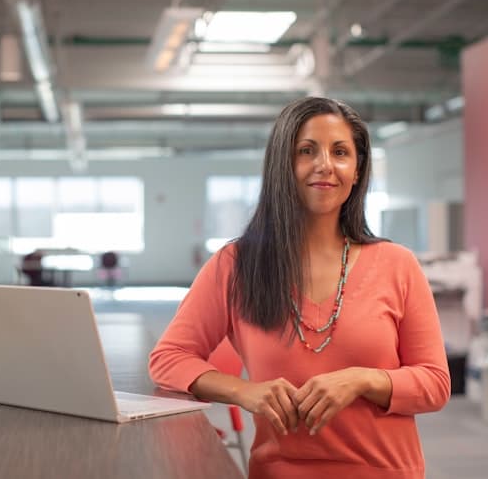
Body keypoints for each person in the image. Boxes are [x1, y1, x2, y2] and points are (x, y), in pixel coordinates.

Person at [149, 97, 450, 479]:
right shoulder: (236, 265)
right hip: (279, 472)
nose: (325, 164)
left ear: (357, 170)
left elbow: (436, 383)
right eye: (307, 151)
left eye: (340, 152)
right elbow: (169, 358)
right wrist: (244, 391)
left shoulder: (398, 264)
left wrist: (362, 379)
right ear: (283, 166)